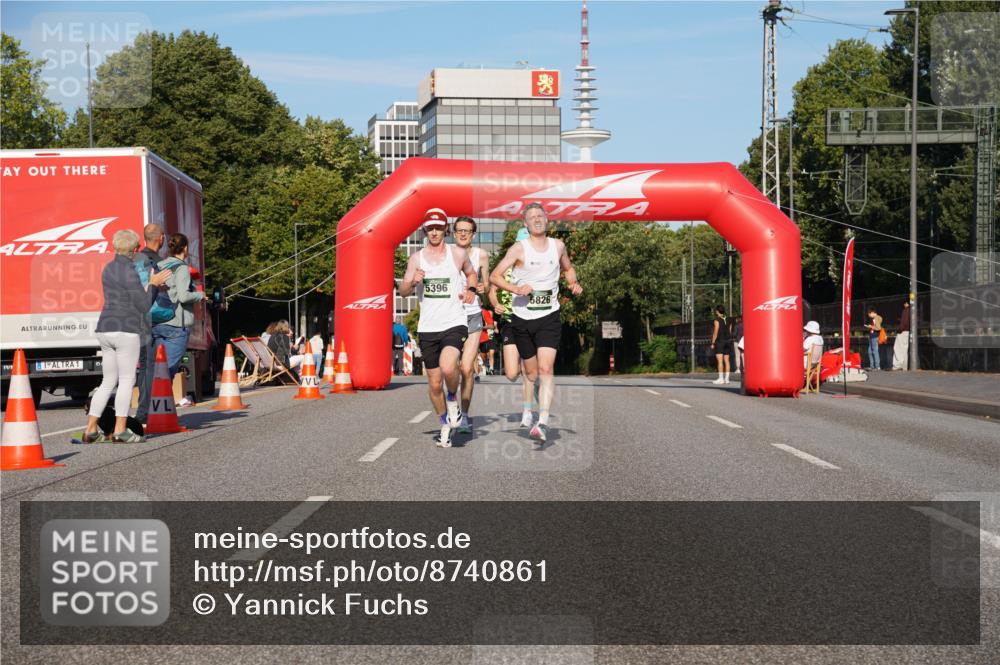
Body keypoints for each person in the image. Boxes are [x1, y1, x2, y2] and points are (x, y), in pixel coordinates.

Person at [490, 204, 583, 444]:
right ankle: (528, 408)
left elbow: (568, 268)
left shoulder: (558, 246)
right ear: (526, 224)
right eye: (532, 217)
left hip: (549, 317)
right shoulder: (519, 248)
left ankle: (542, 422)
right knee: (529, 372)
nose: (537, 220)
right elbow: (494, 276)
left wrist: (573, 283)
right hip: (522, 319)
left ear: (547, 219)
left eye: (540, 216)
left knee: (546, 369)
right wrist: (515, 289)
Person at [398, 208, 478, 448]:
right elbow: (402, 292)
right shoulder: (416, 258)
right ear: (425, 229)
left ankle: (453, 397)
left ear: (445, 229)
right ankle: (445, 422)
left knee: (448, 366)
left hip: (454, 321)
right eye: (430, 228)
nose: (434, 231)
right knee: (434, 384)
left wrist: (471, 291)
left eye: (438, 227)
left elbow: (472, 274)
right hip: (428, 327)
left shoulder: (458, 254)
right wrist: (413, 281)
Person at [81, 230, 171, 443]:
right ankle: (121, 430)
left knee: (108, 381)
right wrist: (155, 285)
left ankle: (90, 429)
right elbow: (144, 305)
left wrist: (152, 286)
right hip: (126, 328)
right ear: (135, 250)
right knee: (127, 380)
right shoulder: (129, 270)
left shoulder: (108, 268)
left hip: (105, 327)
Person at [151, 233, 206, 407]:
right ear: (186, 248)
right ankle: (159, 407)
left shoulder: (160, 265)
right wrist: (199, 295)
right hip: (176, 323)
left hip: (158, 321)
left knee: (159, 366)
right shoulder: (182, 268)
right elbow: (183, 296)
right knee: (169, 368)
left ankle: (156, 404)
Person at [489, 227, 536, 429]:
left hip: (532, 320)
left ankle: (527, 410)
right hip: (509, 320)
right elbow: (492, 291)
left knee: (528, 368)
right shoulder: (506, 269)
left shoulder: (539, 269)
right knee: (510, 373)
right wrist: (495, 304)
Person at [452, 216, 487, 433]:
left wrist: (485, 287)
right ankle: (452, 403)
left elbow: (488, 280)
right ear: (454, 233)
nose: (463, 234)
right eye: (459, 231)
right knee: (450, 368)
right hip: (451, 316)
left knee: (466, 368)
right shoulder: (446, 254)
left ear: (473, 234)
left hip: (473, 315)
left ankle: (464, 416)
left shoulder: (481, 254)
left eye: (468, 231)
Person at [133, 223, 165, 426]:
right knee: (151, 367)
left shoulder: (134, 260)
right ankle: (145, 412)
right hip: (154, 319)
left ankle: (143, 411)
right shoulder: (159, 263)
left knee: (143, 367)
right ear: (160, 238)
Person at [709, 306, 732, 384]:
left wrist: (712, 342)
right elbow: (730, 330)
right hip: (728, 341)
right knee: (727, 360)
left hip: (720, 341)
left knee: (720, 361)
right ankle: (727, 379)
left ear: (717, 311)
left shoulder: (716, 320)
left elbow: (716, 332)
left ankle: (721, 379)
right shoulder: (728, 319)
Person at [892, 301, 910, 371]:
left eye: (905, 303)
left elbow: (904, 322)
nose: (904, 304)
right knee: (904, 349)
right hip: (908, 332)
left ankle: (898, 365)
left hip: (903, 331)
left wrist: (899, 330)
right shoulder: (913, 311)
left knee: (897, 348)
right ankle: (904, 366)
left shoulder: (906, 311)